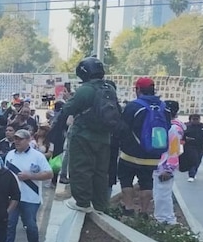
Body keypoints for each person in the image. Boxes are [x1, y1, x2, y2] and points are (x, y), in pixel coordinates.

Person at [55, 57, 118, 213]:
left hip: (83, 136)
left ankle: (82, 202)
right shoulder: (109, 88)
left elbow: (68, 110)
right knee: (100, 172)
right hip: (104, 137)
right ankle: (100, 205)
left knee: (81, 168)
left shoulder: (86, 89)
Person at [117, 77, 168, 216]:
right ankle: (144, 212)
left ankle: (128, 208)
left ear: (138, 89)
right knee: (146, 182)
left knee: (126, 180)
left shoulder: (133, 106)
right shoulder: (164, 107)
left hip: (130, 154)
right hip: (153, 155)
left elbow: (122, 127)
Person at [2, 129, 52, 242]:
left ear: (28, 140)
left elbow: (49, 173)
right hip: (12, 197)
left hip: (30, 197)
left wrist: (30, 176)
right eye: (16, 139)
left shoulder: (38, 156)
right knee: (9, 224)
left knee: (30, 225)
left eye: (20, 139)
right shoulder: (10, 155)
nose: (17, 141)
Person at [154, 102, 184, 225]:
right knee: (159, 194)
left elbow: (174, 151)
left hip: (164, 167)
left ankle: (166, 219)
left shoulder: (173, 129)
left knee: (163, 194)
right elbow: (159, 147)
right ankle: (162, 217)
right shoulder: (165, 127)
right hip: (158, 165)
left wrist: (168, 169)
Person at [181, 114, 203, 182]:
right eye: (194, 119)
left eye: (197, 119)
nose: (195, 121)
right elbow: (181, 135)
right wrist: (184, 139)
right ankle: (191, 175)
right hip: (189, 146)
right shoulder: (186, 126)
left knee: (198, 160)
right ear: (190, 120)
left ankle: (194, 172)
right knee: (193, 159)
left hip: (200, 146)